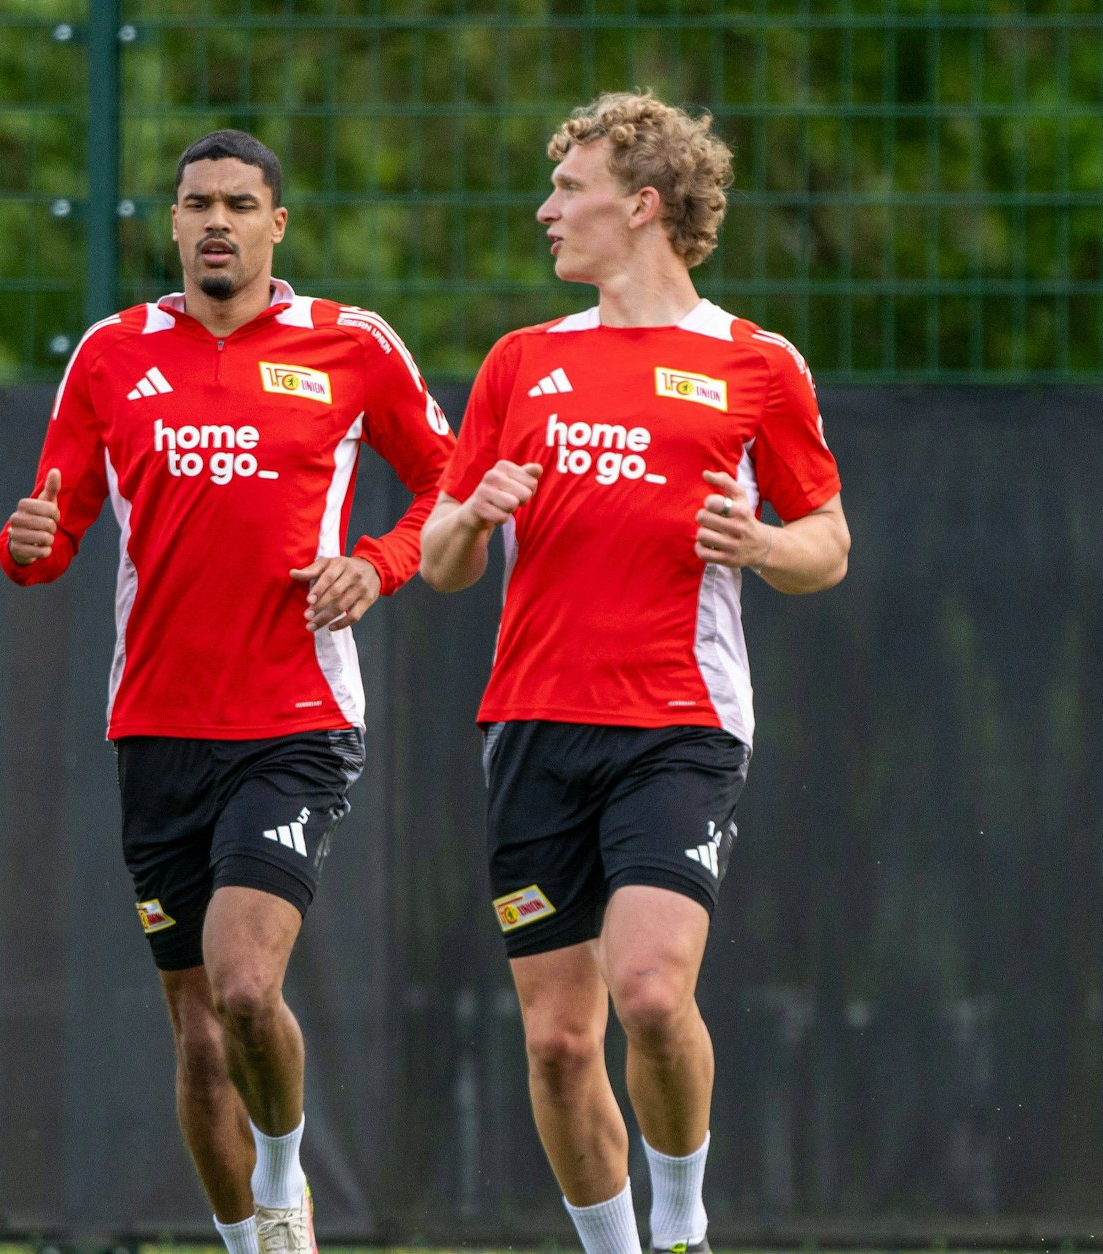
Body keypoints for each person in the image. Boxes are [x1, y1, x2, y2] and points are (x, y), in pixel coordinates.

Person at [0, 129, 452, 1254]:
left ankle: (285, 1185)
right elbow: (49, 537)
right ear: (171, 222)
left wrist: (376, 562)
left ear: (274, 225)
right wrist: (27, 543)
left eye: (239, 204)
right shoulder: (110, 355)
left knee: (248, 988)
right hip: (153, 730)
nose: (216, 221)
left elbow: (449, 486)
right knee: (199, 1038)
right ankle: (247, 1243)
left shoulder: (350, 345)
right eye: (196, 202)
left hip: (293, 723)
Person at [419, 92, 850, 1254]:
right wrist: (473, 514)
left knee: (651, 993)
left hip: (678, 725)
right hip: (530, 728)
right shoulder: (520, 364)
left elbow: (827, 545)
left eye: (569, 187)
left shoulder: (755, 364)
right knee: (558, 1044)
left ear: (641, 203)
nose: (545, 208)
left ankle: (681, 1228)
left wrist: (760, 545)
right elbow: (443, 563)